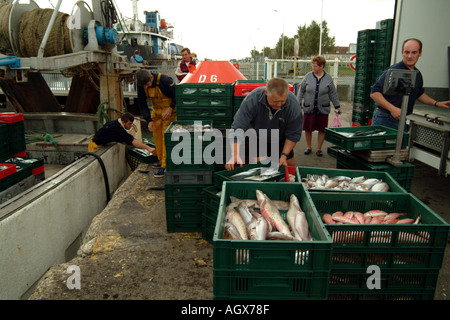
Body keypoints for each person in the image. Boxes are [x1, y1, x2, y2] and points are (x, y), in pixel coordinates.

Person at [370, 38, 450, 130]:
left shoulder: (417, 74)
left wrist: (436, 103)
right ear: (402, 53)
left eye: (414, 52)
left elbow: (419, 94)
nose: (409, 56)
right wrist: (392, 109)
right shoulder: (394, 71)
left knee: (400, 144)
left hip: (401, 119)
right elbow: (374, 93)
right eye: (407, 52)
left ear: (420, 53)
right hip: (385, 119)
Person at [225, 78, 303, 171]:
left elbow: (293, 134)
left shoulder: (293, 105)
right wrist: (235, 154)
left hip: (281, 137)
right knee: (259, 166)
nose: (279, 104)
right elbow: (238, 127)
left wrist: (284, 155)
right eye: (275, 101)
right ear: (266, 93)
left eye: (282, 101)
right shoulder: (253, 99)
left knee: (289, 167)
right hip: (258, 136)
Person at [297, 56, 341, 157]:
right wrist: (298, 102)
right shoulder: (308, 76)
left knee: (322, 129)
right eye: (312, 65)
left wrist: (337, 106)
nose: (313, 68)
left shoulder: (328, 78)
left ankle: (319, 149)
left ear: (322, 66)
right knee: (308, 128)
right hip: (309, 107)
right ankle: (308, 147)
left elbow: (333, 93)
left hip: (323, 108)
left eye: (315, 66)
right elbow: (301, 90)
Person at [136, 69, 177, 177]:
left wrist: (170, 108)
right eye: (143, 85)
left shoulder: (164, 80)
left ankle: (165, 165)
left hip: (169, 114)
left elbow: (177, 95)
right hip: (156, 114)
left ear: (152, 78)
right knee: (157, 138)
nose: (146, 87)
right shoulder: (141, 84)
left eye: (147, 84)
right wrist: (148, 120)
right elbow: (141, 103)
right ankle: (160, 160)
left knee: (165, 139)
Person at [88, 112, 156, 156]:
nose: (131, 126)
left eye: (132, 123)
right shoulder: (118, 129)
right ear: (123, 122)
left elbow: (123, 140)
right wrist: (148, 148)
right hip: (95, 146)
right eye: (129, 124)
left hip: (95, 140)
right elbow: (132, 141)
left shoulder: (115, 123)